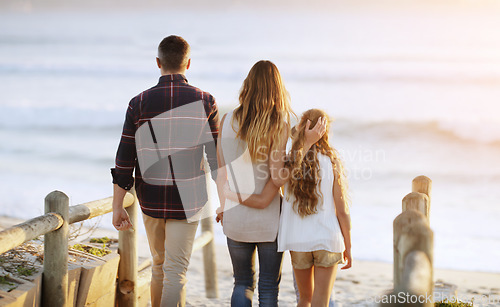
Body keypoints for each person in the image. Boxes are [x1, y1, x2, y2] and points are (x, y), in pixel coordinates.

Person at [111, 35, 219, 307]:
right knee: (176, 272)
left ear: (158, 62)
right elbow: (218, 160)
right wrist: (226, 203)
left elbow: (125, 159)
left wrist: (117, 206)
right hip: (189, 200)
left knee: (159, 265)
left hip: (152, 199)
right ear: (189, 63)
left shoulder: (139, 102)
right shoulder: (206, 101)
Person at [224, 109, 352, 307]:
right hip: (327, 238)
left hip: (297, 240)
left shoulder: (290, 161)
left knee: (305, 299)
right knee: (322, 300)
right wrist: (348, 246)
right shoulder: (332, 162)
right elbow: (342, 211)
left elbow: (278, 188)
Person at [215, 60, 293, 306]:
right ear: (276, 89)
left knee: (241, 283)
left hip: (235, 216)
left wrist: (223, 206)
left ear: (247, 86)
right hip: (270, 220)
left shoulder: (226, 120)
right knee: (268, 287)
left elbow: (220, 172)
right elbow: (277, 175)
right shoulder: (280, 124)